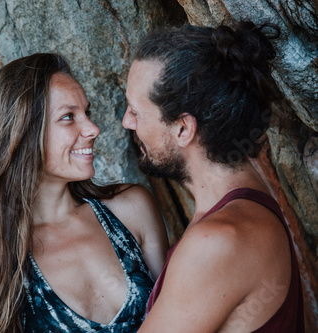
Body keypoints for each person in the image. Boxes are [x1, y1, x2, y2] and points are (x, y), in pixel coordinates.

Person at [0, 53, 168, 332]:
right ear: (21, 135)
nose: (92, 129)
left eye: (87, 113)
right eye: (68, 117)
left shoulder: (132, 209)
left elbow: (183, 316)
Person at [122, 22, 305, 332]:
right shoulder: (248, 195)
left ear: (183, 128)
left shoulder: (216, 242)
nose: (127, 122)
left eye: (136, 111)